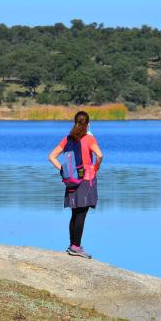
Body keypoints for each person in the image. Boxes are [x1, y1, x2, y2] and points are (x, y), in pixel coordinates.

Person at [48, 111, 103, 259]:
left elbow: (51, 156)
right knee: (81, 214)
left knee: (74, 213)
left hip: (71, 180)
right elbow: (100, 155)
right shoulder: (89, 138)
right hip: (85, 180)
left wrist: (63, 169)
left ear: (75, 122)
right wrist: (95, 167)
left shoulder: (68, 139)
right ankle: (76, 247)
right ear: (87, 123)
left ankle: (73, 245)